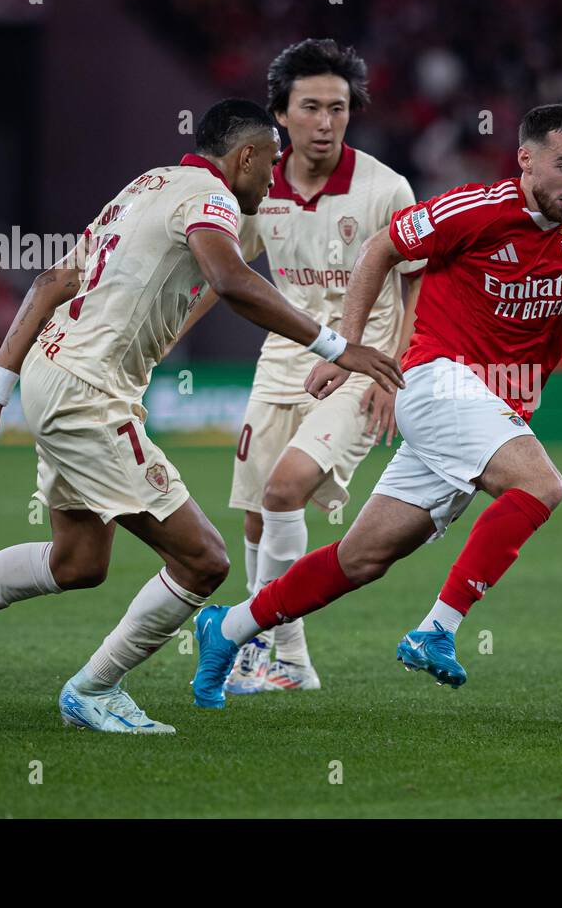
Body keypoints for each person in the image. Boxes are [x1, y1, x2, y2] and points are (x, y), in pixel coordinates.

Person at [0, 100, 402, 731]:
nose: (274, 179)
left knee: (78, 561)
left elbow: (54, 279)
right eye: (270, 163)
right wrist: (336, 345)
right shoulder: (210, 197)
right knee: (204, 561)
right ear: (244, 157)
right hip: (89, 390)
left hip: (55, 370)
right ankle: (94, 689)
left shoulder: (146, 185)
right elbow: (231, 280)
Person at [191, 103, 562, 708]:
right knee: (541, 486)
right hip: (438, 380)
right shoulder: (476, 210)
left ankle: (228, 628)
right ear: (526, 160)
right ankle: (437, 630)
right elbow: (380, 247)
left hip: (497, 405)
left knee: (363, 557)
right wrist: (349, 348)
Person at [185, 40, 424, 694]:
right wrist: (163, 334)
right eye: (312, 108)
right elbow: (223, 271)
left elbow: (415, 281)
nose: (326, 123)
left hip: (362, 360)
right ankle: (276, 655)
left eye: (339, 109)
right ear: (280, 116)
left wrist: (390, 372)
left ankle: (277, 654)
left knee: (285, 489)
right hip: (285, 357)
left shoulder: (384, 188)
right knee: (258, 514)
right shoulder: (264, 186)